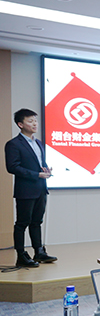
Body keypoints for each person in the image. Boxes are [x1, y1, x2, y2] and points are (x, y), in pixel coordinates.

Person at [4, 108, 56, 267]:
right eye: (30, 121)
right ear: (20, 124)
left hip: (40, 188)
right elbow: (12, 167)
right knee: (22, 223)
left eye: (35, 120)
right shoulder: (13, 144)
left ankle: (39, 252)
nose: (35, 124)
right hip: (25, 190)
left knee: (37, 222)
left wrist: (46, 171)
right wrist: (36, 174)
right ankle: (21, 255)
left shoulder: (38, 143)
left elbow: (40, 163)